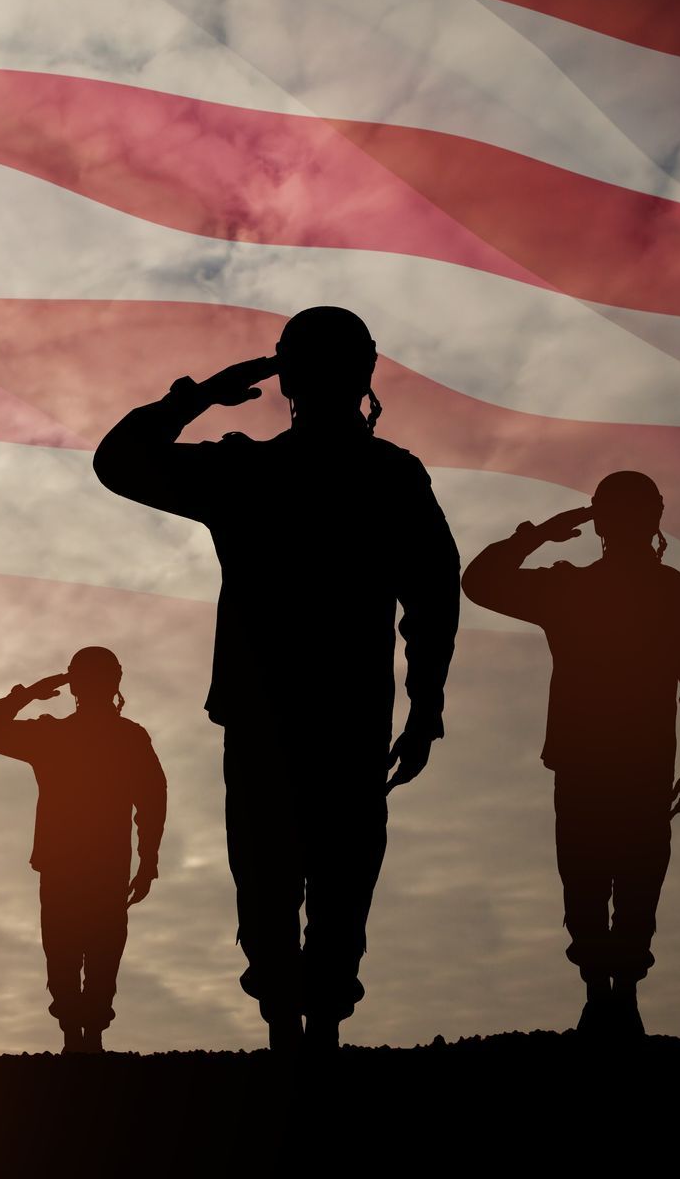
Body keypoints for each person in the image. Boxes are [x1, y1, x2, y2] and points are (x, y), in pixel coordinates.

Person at [91, 306, 460, 1055]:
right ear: (366, 373)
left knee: (274, 871)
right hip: (341, 712)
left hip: (275, 712)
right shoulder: (383, 475)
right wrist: (425, 704)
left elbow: (121, 459)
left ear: (284, 375)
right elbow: (432, 593)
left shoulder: (248, 472)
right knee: (334, 874)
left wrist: (199, 395)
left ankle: (295, 1029)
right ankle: (312, 1026)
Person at [461, 471, 680, 1038]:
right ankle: (612, 997)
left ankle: (611, 996)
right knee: (616, 877)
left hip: (612, 760)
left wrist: (541, 534)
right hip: (615, 759)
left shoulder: (587, 590)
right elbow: (478, 582)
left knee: (604, 877)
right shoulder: (632, 590)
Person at [0, 646, 167, 1054]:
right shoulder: (123, 737)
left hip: (73, 864)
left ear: (74, 684)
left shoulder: (55, 735)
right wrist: (147, 861)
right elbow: (153, 801)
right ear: (116, 682)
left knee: (69, 948)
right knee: (96, 948)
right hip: (99, 864)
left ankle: (79, 1038)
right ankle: (86, 1037)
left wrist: (30, 693)